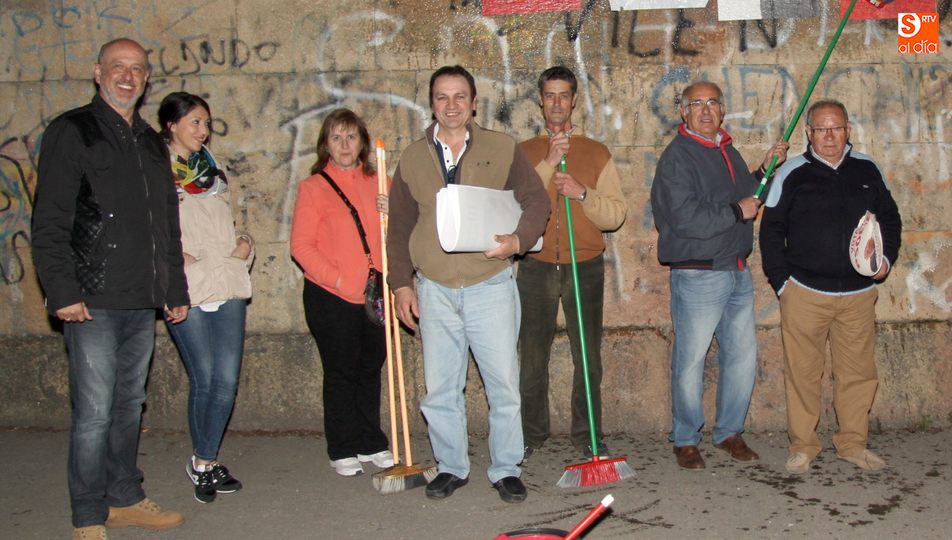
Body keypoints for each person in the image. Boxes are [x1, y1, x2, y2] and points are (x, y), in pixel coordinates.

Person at [31, 38, 189, 540]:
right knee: (94, 411)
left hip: (140, 297)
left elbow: (166, 221)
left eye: (137, 69)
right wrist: (62, 292)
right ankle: (87, 514)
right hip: (91, 298)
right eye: (118, 67)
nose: (128, 76)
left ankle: (123, 496)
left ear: (146, 79)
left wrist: (174, 288)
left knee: (128, 405)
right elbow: (50, 220)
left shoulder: (148, 142)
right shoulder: (72, 131)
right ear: (98, 72)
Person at [386, 65, 549, 503]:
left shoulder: (502, 147)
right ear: (432, 103)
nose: (452, 105)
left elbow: (536, 199)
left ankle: (506, 467)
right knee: (440, 389)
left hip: (490, 284)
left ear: (474, 103)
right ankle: (451, 467)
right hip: (435, 288)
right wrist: (401, 284)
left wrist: (519, 239)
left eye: (461, 96)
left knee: (503, 385)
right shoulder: (411, 157)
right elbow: (399, 225)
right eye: (443, 97)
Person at [649, 81, 788, 470]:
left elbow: (747, 193)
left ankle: (729, 432)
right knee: (691, 360)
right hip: (698, 274)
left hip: (736, 269)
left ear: (723, 110)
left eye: (713, 103)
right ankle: (685, 438)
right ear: (684, 112)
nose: (706, 110)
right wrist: (734, 212)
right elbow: (684, 218)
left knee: (742, 357)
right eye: (697, 104)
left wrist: (765, 168)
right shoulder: (678, 157)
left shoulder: (727, 150)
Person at [760, 99, 902, 474]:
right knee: (803, 373)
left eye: (836, 128)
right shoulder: (791, 172)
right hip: (805, 293)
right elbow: (770, 230)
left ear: (847, 130)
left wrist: (885, 262)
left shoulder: (868, 169)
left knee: (857, 373)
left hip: (857, 296)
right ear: (808, 133)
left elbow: (890, 219)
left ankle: (853, 443)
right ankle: (803, 446)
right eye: (821, 129)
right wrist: (782, 284)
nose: (829, 136)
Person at [517, 66, 627, 460]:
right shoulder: (525, 152)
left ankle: (588, 435)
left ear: (575, 99)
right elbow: (514, 209)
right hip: (536, 265)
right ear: (541, 100)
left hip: (585, 265)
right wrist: (548, 163)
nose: (557, 103)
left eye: (564, 95)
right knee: (531, 358)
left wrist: (582, 194)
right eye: (550, 95)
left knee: (588, 358)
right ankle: (531, 434)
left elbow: (614, 215)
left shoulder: (597, 152)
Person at [157, 92, 253, 503]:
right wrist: (167, 255)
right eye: (195, 122)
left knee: (227, 380)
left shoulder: (213, 169)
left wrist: (245, 243)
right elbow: (145, 227)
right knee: (206, 377)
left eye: (206, 123)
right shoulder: (155, 172)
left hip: (227, 280)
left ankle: (205, 461)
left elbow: (230, 219)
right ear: (172, 125)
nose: (203, 131)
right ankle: (204, 463)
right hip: (188, 285)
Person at [290, 108, 393, 477]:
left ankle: (371, 440)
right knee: (341, 371)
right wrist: (337, 280)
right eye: (337, 137)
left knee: (370, 368)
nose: (345, 144)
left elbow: (396, 235)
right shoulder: (313, 187)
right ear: (325, 145)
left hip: (375, 294)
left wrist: (392, 210)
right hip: (331, 296)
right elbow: (301, 246)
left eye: (351, 137)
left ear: (362, 142)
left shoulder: (380, 182)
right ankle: (342, 444)